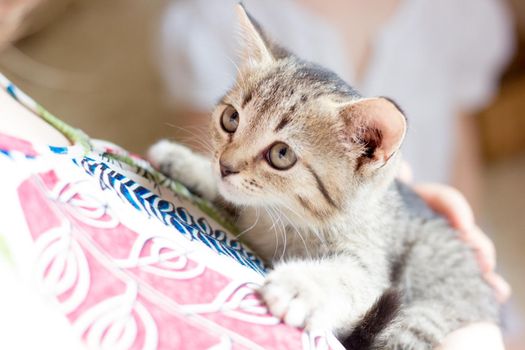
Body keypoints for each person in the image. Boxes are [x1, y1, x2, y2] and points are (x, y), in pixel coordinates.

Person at [0, 0, 511, 348]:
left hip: (438, 298)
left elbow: (361, 280)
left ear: (367, 149)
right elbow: (235, 191)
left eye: (279, 154)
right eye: (231, 122)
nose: (228, 158)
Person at [159, 0, 515, 211]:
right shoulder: (216, 15)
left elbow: (460, 160)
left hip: (425, 248)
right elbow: (219, 167)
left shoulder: (460, 14)